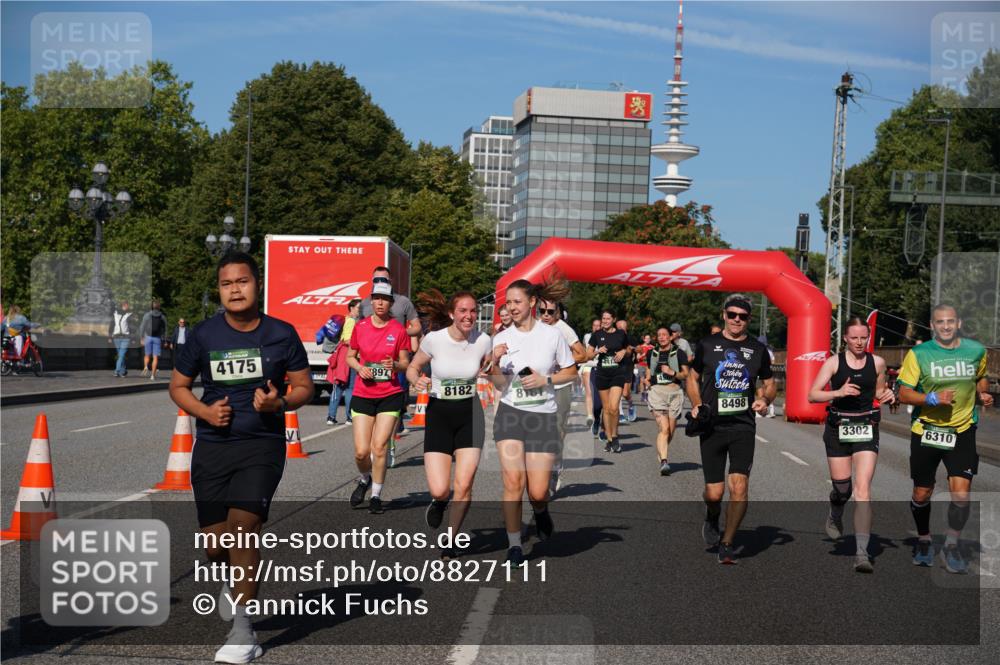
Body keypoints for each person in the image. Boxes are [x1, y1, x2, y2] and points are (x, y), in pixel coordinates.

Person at [168, 252, 313, 664]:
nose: (235, 289)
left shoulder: (282, 334)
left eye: (242, 281)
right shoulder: (203, 335)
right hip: (213, 447)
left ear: (257, 284)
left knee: (244, 527)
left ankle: (244, 631)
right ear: (220, 289)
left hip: (261, 446)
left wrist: (280, 402)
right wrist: (205, 412)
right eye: (227, 283)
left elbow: (303, 386)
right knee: (216, 546)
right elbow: (178, 387)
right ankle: (231, 582)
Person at [898, 304, 992, 573]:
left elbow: (980, 379)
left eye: (951, 321)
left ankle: (952, 544)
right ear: (932, 325)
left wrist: (981, 395)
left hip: (963, 429)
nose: (946, 326)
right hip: (927, 430)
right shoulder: (920, 354)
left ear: (958, 323)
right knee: (922, 491)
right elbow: (904, 394)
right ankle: (925, 538)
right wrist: (932, 398)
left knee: (961, 494)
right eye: (941, 322)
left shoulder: (976, 351)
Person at [489, 277, 577, 567]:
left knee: (538, 491)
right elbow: (499, 384)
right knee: (513, 481)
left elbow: (571, 371)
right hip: (511, 413)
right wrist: (495, 363)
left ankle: (540, 511)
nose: (511, 307)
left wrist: (546, 379)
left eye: (517, 302)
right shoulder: (501, 338)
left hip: (542, 416)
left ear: (532, 303)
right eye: (508, 303)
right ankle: (514, 544)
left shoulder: (552, 336)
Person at [685, 294, 776, 564]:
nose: (737, 319)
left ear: (749, 319)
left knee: (739, 487)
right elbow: (693, 376)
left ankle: (727, 542)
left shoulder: (757, 350)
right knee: (714, 492)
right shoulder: (707, 344)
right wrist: (698, 403)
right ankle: (712, 514)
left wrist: (765, 399)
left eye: (743, 316)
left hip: (742, 426)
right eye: (733, 314)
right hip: (712, 424)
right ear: (724, 314)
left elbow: (770, 383)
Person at [406, 289, 492, 559]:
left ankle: (452, 538)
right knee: (440, 488)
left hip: (470, 414)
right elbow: (413, 366)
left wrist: (494, 365)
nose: (469, 316)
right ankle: (440, 501)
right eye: (463, 311)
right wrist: (415, 380)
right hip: (439, 414)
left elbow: (491, 370)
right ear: (452, 314)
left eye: (473, 311)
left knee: (464, 484)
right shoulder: (434, 340)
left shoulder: (484, 341)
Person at [808, 317, 896, 573]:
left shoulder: (877, 362)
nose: (859, 342)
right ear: (845, 338)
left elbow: (879, 391)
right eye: (854, 337)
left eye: (863, 338)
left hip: (866, 428)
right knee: (843, 489)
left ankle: (861, 553)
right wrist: (838, 393)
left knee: (863, 489)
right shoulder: (834, 363)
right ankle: (836, 510)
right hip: (838, 430)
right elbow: (812, 394)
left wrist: (888, 395)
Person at [346, 280, 412, 514]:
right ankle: (365, 479)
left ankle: (376, 494)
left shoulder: (398, 330)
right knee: (361, 452)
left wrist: (395, 365)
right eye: (376, 298)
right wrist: (359, 368)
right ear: (371, 301)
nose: (380, 302)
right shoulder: (360, 327)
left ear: (391, 303)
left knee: (379, 447)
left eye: (384, 299)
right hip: (364, 393)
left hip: (389, 394)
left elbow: (405, 364)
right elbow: (350, 356)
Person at [360, 267, 420, 437]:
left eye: (383, 280)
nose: (380, 283)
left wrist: (399, 333)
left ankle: (393, 433)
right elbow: (357, 330)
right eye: (376, 280)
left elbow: (417, 327)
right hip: (370, 360)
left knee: (397, 396)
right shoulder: (365, 303)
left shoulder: (403, 302)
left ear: (390, 282)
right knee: (370, 401)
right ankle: (377, 437)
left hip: (396, 359)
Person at [539, 299, 588, 495]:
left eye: (550, 312)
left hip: (562, 384)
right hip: (540, 384)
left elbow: (582, 355)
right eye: (542, 311)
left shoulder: (563, 329)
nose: (546, 315)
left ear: (558, 313)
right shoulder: (534, 328)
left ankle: (555, 466)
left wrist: (562, 359)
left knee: (557, 431)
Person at [646, 326, 689, 476]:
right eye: (659, 335)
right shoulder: (652, 353)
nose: (662, 337)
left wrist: (672, 373)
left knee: (670, 431)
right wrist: (647, 379)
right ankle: (664, 461)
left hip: (675, 393)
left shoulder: (680, 353)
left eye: (665, 335)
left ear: (671, 337)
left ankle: (661, 451)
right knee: (664, 429)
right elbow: (648, 370)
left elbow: (685, 374)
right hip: (657, 392)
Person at [587, 310, 631, 453]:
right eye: (603, 318)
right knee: (606, 409)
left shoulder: (620, 334)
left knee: (613, 407)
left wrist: (623, 352)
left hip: (618, 373)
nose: (605, 321)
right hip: (602, 374)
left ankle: (615, 436)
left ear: (613, 319)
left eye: (608, 319)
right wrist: (597, 351)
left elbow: (629, 349)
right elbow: (588, 354)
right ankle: (609, 439)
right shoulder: (597, 335)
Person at [327, 300, 361, 425]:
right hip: (348, 357)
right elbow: (347, 340)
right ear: (351, 308)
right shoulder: (351, 321)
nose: (360, 310)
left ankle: (331, 417)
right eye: (358, 307)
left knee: (338, 386)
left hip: (342, 356)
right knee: (349, 388)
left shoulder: (346, 320)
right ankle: (349, 417)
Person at [581, 319, 601, 435]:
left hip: (600, 366)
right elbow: (585, 352)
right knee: (589, 392)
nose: (596, 327)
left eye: (598, 326)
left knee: (599, 401)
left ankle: (597, 417)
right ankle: (590, 416)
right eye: (594, 325)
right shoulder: (587, 336)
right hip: (588, 365)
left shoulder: (605, 337)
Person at [616, 319, 638, 422]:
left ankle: (631, 405)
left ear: (626, 328)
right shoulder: (613, 338)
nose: (621, 330)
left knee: (625, 393)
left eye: (623, 328)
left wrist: (632, 349)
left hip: (628, 367)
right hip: (616, 367)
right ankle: (620, 413)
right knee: (617, 391)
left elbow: (639, 350)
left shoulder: (631, 338)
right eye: (619, 328)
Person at [140, 300, 168, 380]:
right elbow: (165, 329)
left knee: (147, 355)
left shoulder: (147, 315)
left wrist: (142, 337)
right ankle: (152, 375)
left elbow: (142, 327)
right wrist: (165, 340)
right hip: (157, 338)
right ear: (159, 307)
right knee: (155, 357)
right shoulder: (162, 316)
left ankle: (145, 366)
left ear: (152, 306)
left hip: (148, 337)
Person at [108, 300, 134, 377]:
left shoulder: (130, 314)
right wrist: (109, 336)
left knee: (121, 355)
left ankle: (117, 370)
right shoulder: (115, 314)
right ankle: (124, 371)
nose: (128, 306)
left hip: (126, 337)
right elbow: (111, 325)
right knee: (120, 355)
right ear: (124, 305)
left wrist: (132, 338)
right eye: (127, 305)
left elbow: (132, 327)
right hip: (116, 337)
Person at [636, 333, 655, 401]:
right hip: (641, 365)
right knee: (641, 380)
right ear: (644, 339)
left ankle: (647, 394)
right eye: (646, 338)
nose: (647, 340)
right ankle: (642, 394)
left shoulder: (653, 347)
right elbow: (637, 357)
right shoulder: (640, 347)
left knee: (648, 380)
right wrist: (643, 355)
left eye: (649, 338)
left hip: (649, 365)